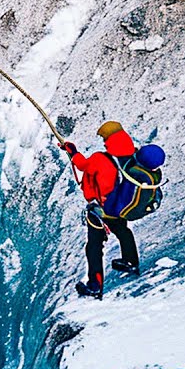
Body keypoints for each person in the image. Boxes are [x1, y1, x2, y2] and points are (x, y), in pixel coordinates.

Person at [59, 120, 140, 300]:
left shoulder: (100, 158)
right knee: (123, 231)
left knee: (94, 246)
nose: (103, 142)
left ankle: (95, 286)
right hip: (121, 206)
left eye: (104, 138)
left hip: (102, 209)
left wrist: (72, 152)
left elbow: (83, 166)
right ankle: (131, 262)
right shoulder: (130, 156)